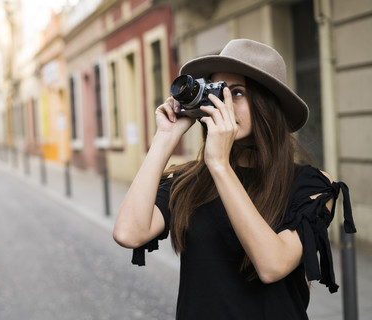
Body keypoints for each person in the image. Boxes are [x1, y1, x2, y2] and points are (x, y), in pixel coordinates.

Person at [112, 39, 356, 319]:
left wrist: (220, 164)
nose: (222, 104)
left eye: (236, 93)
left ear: (266, 104)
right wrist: (164, 138)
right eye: (217, 92)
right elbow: (129, 233)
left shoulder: (311, 185)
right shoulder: (190, 181)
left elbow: (272, 265)